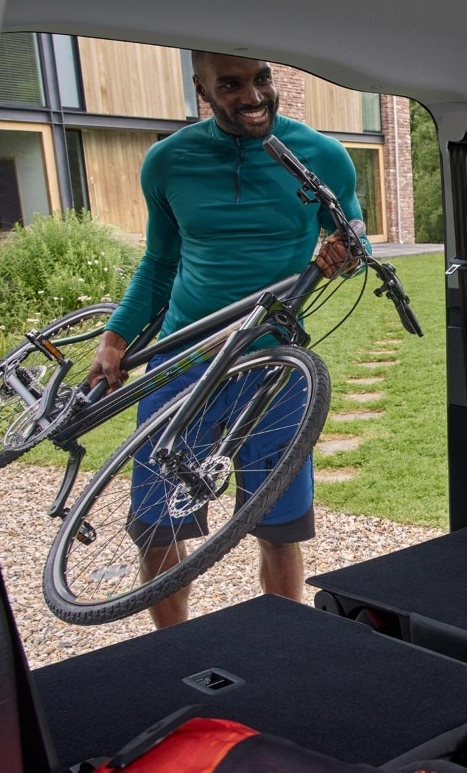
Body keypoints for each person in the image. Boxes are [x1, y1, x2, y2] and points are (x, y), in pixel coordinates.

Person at [86, 51, 363, 628]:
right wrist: (115, 338)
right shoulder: (167, 162)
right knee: (159, 528)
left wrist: (345, 251)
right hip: (183, 359)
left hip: (273, 365)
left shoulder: (321, 155)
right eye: (231, 85)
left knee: (278, 527)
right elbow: (159, 262)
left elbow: (352, 234)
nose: (252, 96)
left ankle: (282, 645)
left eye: (261, 79)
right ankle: (173, 652)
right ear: (202, 89)